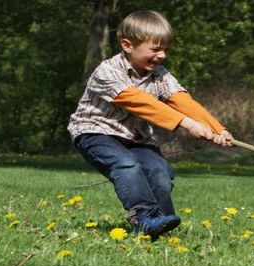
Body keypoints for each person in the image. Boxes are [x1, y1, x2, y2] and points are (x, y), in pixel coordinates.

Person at [67, 10, 233, 238]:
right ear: (127, 45)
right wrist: (186, 124)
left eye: (165, 49)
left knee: (160, 173)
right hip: (97, 133)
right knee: (127, 165)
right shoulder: (107, 72)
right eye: (155, 49)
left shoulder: (161, 75)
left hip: (137, 138)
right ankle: (144, 218)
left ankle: (163, 225)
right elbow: (140, 103)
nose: (162, 55)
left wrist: (218, 130)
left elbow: (182, 101)